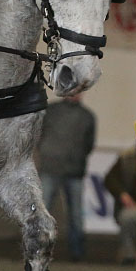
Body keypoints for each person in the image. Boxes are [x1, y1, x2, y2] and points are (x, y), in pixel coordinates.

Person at [37, 93, 96, 261]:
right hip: (56, 168)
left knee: (73, 213)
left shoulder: (85, 116)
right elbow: (89, 145)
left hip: (68, 170)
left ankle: (74, 252)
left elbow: (89, 143)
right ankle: (40, 248)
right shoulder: (85, 115)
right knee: (47, 211)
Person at [104, 147, 136, 265]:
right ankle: (129, 255)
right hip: (135, 206)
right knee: (127, 217)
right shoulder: (127, 158)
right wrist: (122, 194)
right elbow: (109, 179)